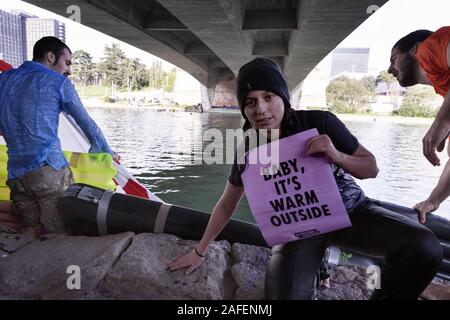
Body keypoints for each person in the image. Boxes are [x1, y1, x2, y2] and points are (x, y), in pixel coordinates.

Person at [169, 57, 443, 300]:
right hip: (297, 230)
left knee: (425, 247)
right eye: (250, 102)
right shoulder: (249, 150)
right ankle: (317, 261)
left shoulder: (320, 122)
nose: (261, 109)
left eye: (268, 97)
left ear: (283, 98)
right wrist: (200, 251)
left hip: (351, 213)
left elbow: (370, 168)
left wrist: (336, 155)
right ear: (243, 109)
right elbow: (227, 205)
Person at [0, 36, 119, 238]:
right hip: (48, 171)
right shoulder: (57, 82)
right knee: (58, 233)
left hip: (16, 174)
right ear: (51, 56)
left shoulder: (4, 79)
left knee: (29, 230)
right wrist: (105, 151)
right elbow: (86, 123)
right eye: (67, 62)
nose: (69, 70)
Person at [388, 28, 450, 224]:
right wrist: (433, 201)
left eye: (394, 58)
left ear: (415, 48)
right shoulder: (445, 91)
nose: (390, 70)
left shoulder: (428, 48)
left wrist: (441, 122)